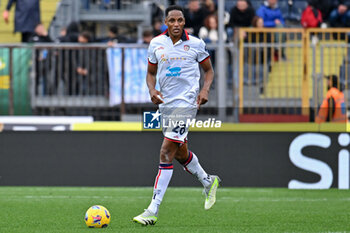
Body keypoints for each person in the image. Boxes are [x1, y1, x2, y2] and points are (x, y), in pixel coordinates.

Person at [132, 5, 220, 226]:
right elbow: (150, 74)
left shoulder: (196, 44)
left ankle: (152, 210)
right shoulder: (156, 44)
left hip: (187, 104)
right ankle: (208, 181)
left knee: (165, 152)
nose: (176, 24)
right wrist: (152, 90)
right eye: (172, 20)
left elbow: (208, 70)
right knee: (180, 152)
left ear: (184, 21)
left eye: (180, 20)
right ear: (165, 22)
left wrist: (205, 90)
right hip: (166, 105)